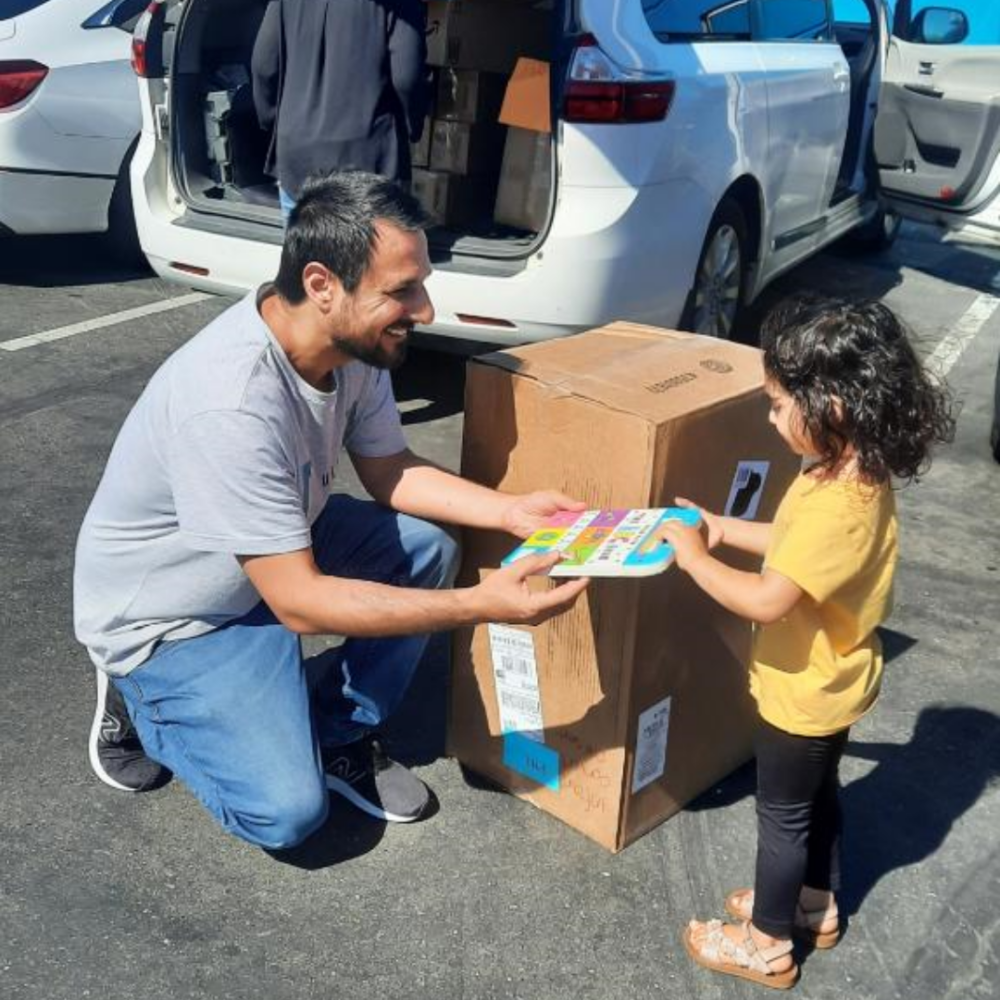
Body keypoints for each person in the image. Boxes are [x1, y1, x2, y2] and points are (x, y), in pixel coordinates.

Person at [74, 170, 589, 850]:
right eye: (402, 291)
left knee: (428, 548)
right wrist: (483, 603)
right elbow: (301, 605)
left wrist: (511, 511)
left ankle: (334, 727)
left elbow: (390, 471)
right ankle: (138, 697)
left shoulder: (353, 350)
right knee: (287, 813)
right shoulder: (229, 403)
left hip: (274, 559)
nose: (426, 310)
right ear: (322, 285)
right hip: (174, 618)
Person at [657, 296, 954, 990]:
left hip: (802, 691)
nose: (769, 416)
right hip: (834, 681)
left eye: (776, 403)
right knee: (817, 799)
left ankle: (767, 941)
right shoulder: (849, 472)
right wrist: (724, 530)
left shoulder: (834, 504)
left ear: (834, 407)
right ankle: (815, 905)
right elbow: (792, 552)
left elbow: (768, 595)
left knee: (781, 819)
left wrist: (695, 559)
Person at [251, 0, 429, 218]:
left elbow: (263, 66)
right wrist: (414, 125)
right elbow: (407, 78)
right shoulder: (399, 6)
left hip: (297, 161)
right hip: (369, 162)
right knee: (369, 251)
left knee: (304, 250)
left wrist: (271, 121)